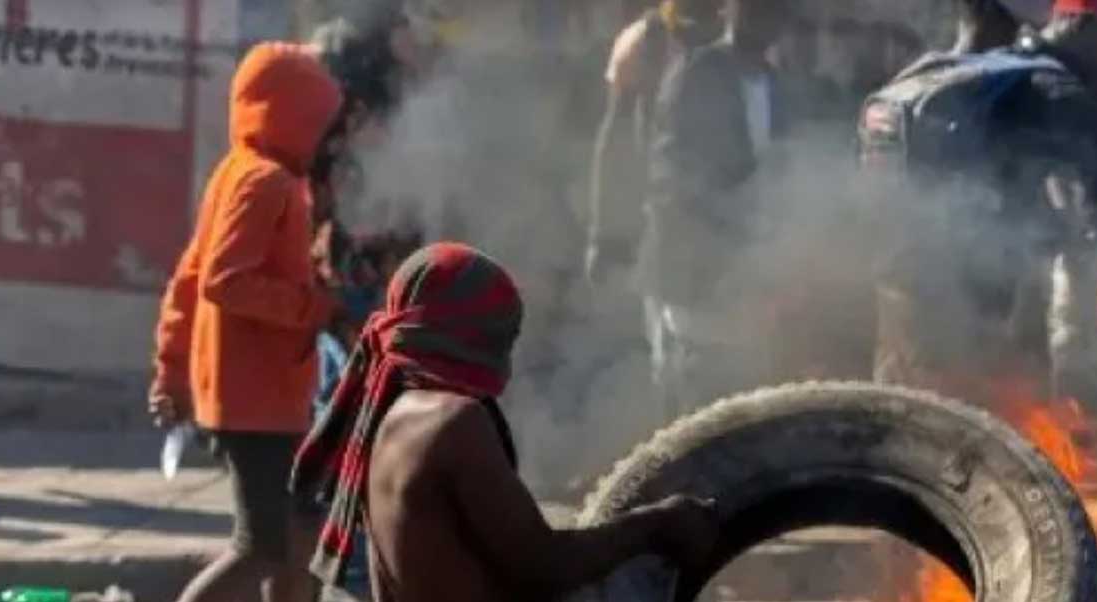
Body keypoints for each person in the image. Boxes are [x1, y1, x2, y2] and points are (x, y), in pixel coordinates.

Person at [291, 242, 718, 601]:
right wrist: (660, 521)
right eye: (502, 333)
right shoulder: (455, 421)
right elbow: (546, 566)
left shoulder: (387, 406)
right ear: (469, 331)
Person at [862, 0, 1097, 403]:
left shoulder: (991, 69)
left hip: (902, 270)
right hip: (961, 290)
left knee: (897, 406)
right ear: (1085, 26)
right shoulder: (1059, 93)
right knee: (959, 419)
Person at [149, 42, 343, 602]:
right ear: (290, 115)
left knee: (298, 534)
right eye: (317, 120)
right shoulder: (267, 183)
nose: (325, 136)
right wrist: (315, 307)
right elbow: (222, 281)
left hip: (257, 395)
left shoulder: (237, 171)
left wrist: (172, 372)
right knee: (258, 545)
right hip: (254, 402)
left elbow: (187, 278)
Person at [637, 0, 792, 419]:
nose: (761, 16)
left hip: (747, 274)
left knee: (738, 401)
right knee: (690, 403)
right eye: (750, 7)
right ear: (728, 10)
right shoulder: (697, 73)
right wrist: (729, 230)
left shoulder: (776, 84)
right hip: (692, 272)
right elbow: (670, 178)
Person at [586, 0, 725, 285]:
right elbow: (616, 142)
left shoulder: (752, 36)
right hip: (663, 217)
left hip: (732, 218)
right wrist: (604, 234)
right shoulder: (645, 40)